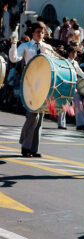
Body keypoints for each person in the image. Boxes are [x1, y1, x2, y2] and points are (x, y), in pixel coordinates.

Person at [9, 21, 55, 157]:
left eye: (42, 32)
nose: (40, 34)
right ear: (32, 33)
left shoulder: (47, 47)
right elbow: (13, 58)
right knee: (32, 116)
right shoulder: (26, 46)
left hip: (44, 84)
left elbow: (53, 65)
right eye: (37, 32)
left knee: (40, 116)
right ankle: (25, 145)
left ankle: (33, 149)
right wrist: (13, 44)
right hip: (29, 84)